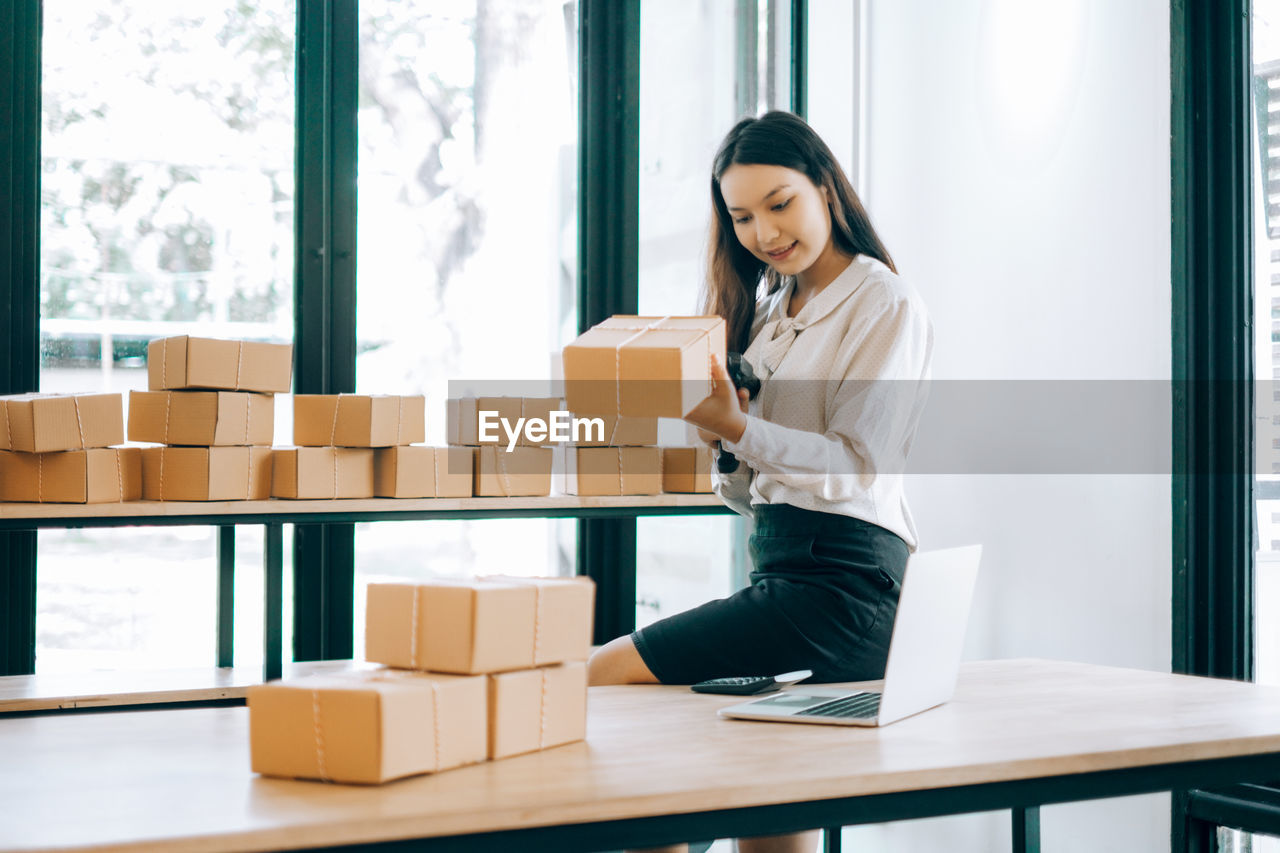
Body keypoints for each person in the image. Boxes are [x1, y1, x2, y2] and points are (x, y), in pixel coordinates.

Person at [587, 111, 933, 853]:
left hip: (844, 585)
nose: (764, 233)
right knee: (771, 804)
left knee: (606, 674)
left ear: (825, 187)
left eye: (780, 203)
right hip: (786, 563)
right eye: (741, 216)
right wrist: (722, 438)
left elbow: (856, 465)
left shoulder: (884, 301)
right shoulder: (773, 312)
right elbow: (758, 493)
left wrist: (740, 428)